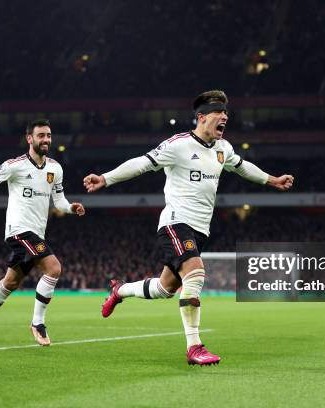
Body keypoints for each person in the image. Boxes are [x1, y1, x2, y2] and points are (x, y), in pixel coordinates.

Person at [83, 90, 294, 365]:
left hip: (201, 230)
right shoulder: (178, 145)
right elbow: (142, 163)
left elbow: (243, 167)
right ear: (202, 117)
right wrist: (105, 179)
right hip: (176, 222)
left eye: (227, 115)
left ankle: (119, 290)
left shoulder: (223, 149)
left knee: (164, 288)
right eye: (220, 114)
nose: (225, 118)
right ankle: (194, 347)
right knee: (195, 274)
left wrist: (272, 180)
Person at [0, 119, 85, 347]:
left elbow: (59, 202)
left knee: (10, 282)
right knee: (54, 268)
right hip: (19, 230)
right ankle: (37, 323)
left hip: (36, 234)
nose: (46, 140)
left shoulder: (55, 168)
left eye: (49, 135)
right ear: (29, 139)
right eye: (41, 135)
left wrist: (71, 208)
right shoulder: (15, 165)